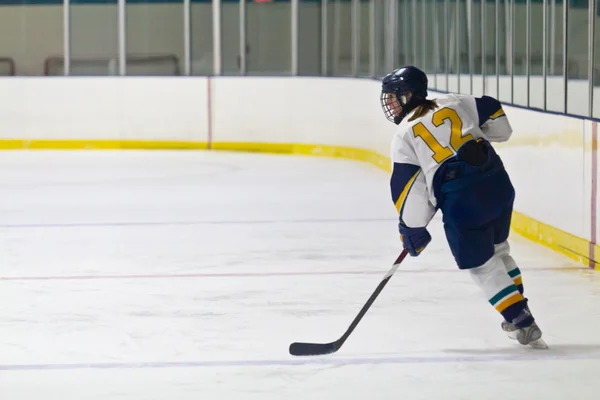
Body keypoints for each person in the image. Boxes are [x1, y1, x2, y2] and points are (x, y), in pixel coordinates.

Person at [381, 65, 546, 349]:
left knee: (481, 264)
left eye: (395, 96)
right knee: (498, 249)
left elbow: (410, 191)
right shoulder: (453, 100)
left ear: (410, 95)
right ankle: (519, 308)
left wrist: (412, 227)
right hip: (497, 184)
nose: (391, 103)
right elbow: (497, 121)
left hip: (463, 200)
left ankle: (521, 320)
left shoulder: (404, 135)